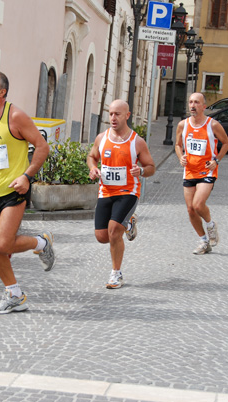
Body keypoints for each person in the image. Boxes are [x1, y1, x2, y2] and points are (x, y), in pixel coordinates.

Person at [0, 70, 55, 315]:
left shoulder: (15, 116)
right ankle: (14, 294)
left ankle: (41, 242)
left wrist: (27, 176)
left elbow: (42, 146)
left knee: (2, 243)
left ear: (2, 92)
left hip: (14, 190)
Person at [86, 100, 155, 289]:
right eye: (111, 114)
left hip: (128, 192)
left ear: (127, 115)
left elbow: (151, 167)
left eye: (117, 114)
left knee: (114, 231)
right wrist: (93, 168)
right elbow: (92, 157)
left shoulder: (137, 142)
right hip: (106, 191)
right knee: (102, 236)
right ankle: (129, 222)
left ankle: (116, 274)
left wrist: (141, 171)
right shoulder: (102, 138)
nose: (113, 118)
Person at [175, 92, 228, 255]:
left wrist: (217, 160)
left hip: (207, 170)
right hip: (189, 171)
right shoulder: (182, 125)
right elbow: (178, 145)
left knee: (198, 204)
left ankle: (211, 225)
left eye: (196, 102)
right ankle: (204, 241)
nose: (192, 105)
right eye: (191, 102)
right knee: (191, 210)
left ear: (204, 106)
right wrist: (181, 157)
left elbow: (226, 142)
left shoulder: (212, 125)